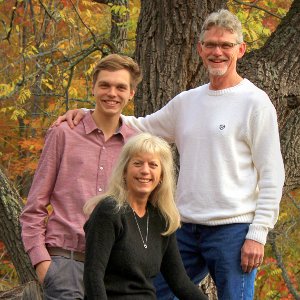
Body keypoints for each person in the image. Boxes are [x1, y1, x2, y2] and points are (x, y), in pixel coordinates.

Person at [54, 9, 285, 300]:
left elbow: (272, 173)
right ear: (200, 49)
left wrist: (258, 233)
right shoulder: (187, 102)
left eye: (226, 45)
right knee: (156, 293)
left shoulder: (255, 103)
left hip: (234, 229)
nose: (217, 52)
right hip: (184, 226)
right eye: (211, 44)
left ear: (240, 49)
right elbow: (141, 127)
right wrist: (91, 114)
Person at [20, 54, 142, 299]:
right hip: (66, 263)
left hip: (114, 270)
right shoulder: (64, 133)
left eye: (121, 87)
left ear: (131, 93)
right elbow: (34, 206)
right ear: (93, 87)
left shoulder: (135, 144)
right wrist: (43, 263)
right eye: (105, 85)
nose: (112, 93)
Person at [83, 132, 208, 300]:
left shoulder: (162, 219)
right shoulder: (109, 211)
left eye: (153, 165)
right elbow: (93, 277)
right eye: (138, 163)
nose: (145, 171)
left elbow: (180, 283)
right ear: (125, 170)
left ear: (162, 175)